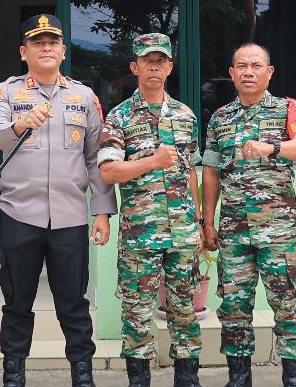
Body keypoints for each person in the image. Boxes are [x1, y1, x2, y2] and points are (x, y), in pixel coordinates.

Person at [0, 14, 116, 387]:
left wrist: (102, 211)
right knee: (17, 303)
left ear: (63, 51)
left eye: (52, 42)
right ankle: (13, 375)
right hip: (19, 215)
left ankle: (82, 375)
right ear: (23, 52)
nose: (45, 48)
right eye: (37, 42)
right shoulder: (6, 93)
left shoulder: (83, 96)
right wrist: (20, 125)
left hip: (70, 218)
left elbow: (96, 157)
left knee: (74, 304)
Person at [200, 43, 296, 387]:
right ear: (232, 73)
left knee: (286, 303)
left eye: (256, 65)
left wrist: (272, 147)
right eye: (241, 66)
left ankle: (293, 379)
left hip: (276, 232)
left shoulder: (287, 108)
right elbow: (211, 172)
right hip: (233, 231)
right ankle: (239, 378)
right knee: (233, 307)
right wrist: (208, 222)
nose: (248, 72)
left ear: (269, 72)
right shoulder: (219, 118)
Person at [96, 33, 203, 387]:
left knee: (185, 311)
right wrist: (152, 162)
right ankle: (139, 381)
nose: (154, 67)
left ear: (170, 67)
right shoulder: (119, 117)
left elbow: (190, 171)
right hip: (141, 235)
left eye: (160, 61)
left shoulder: (186, 115)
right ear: (135, 67)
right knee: (137, 315)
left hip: (183, 233)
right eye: (147, 60)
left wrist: (199, 221)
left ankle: (187, 380)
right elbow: (108, 172)